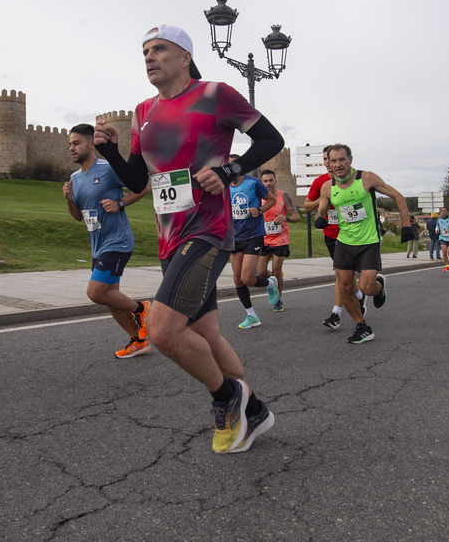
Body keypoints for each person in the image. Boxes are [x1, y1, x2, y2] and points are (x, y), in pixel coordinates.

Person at [93, 23, 283, 454]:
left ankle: (226, 398)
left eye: (159, 49)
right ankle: (253, 413)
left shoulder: (216, 94)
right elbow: (139, 177)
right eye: (144, 51)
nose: (149, 57)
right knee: (208, 335)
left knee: (161, 330)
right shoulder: (143, 111)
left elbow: (271, 138)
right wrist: (110, 153)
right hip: (168, 235)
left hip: (208, 230)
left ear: (184, 57)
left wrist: (229, 172)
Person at [64, 123, 151, 358]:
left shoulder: (108, 168)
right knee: (111, 298)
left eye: (76, 143)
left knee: (95, 292)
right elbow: (77, 217)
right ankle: (138, 340)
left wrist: (120, 203)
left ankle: (142, 309)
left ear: (91, 144)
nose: (71, 148)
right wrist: (69, 199)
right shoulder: (74, 178)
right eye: (70, 144)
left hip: (118, 241)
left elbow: (143, 188)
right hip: (97, 245)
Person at [316, 144, 414, 344]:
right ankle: (362, 326)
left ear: (350, 160)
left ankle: (380, 286)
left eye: (342, 159)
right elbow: (322, 206)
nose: (338, 164)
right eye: (333, 161)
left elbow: (398, 196)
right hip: (344, 241)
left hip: (369, 241)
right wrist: (319, 217)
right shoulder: (328, 186)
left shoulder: (366, 178)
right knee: (344, 287)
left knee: (367, 288)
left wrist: (406, 226)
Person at [304, 145, 363, 329]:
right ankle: (357, 298)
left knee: (343, 275)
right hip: (332, 234)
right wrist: (322, 200)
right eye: (325, 160)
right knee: (343, 276)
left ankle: (338, 312)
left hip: (355, 234)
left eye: (331, 159)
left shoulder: (354, 179)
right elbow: (306, 206)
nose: (328, 163)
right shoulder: (321, 182)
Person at [227, 154, 280, 329]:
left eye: (234, 165)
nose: (230, 168)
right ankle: (252, 315)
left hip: (253, 235)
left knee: (248, 278)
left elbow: (271, 199)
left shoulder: (253, 183)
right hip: (234, 236)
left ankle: (271, 283)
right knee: (237, 279)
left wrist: (259, 210)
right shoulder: (225, 185)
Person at [257, 169, 301, 312]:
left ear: (275, 181)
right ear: (261, 182)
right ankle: (274, 281)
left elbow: (297, 216)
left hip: (280, 238)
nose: (268, 183)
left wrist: (286, 218)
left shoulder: (284, 196)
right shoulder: (258, 196)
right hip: (263, 239)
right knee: (261, 272)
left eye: (270, 180)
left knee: (276, 269)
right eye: (265, 181)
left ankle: (279, 300)